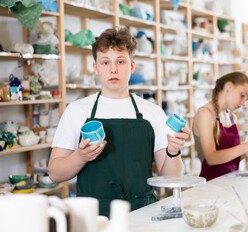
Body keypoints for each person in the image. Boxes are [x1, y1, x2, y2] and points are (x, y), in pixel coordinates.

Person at [49, 28, 190, 217]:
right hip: (93, 217)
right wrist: (81, 157)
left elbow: (170, 179)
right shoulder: (77, 111)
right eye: (105, 62)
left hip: (142, 214)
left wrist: (173, 151)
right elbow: (55, 174)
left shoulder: (153, 113)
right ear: (96, 67)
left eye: (120, 61)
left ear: (131, 67)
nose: (113, 69)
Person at [192, 72, 248, 181]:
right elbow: (211, 158)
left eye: (246, 99)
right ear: (229, 86)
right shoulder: (205, 114)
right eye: (242, 95)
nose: (243, 103)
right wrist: (246, 146)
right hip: (211, 185)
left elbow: (234, 158)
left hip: (230, 182)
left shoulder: (231, 116)